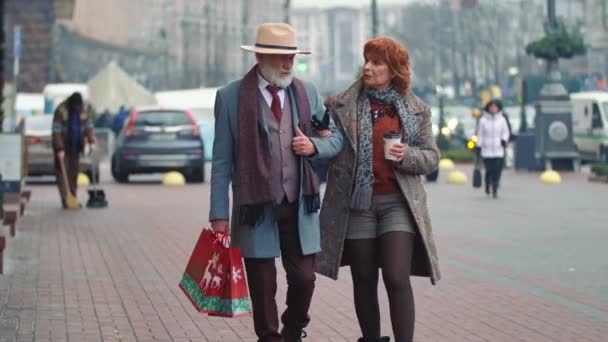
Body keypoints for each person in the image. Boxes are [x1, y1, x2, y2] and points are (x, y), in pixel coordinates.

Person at [209, 23, 343, 342]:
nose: (288, 64)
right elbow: (222, 161)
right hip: (255, 206)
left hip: (299, 203)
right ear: (260, 56)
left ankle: (294, 329)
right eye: (281, 57)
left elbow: (334, 138)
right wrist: (218, 214)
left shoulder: (306, 91)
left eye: (292, 57)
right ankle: (269, 337)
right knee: (263, 284)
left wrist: (314, 147)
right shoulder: (230, 97)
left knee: (304, 278)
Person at [316, 37, 441, 342]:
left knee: (397, 276)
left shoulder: (415, 109)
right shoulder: (341, 105)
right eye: (366, 60)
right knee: (364, 278)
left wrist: (407, 155)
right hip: (358, 205)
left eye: (377, 62)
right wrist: (321, 136)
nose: (368, 67)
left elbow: (432, 157)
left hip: (398, 204)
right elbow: (329, 145)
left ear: (394, 69)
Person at [51, 92, 96, 208]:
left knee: (73, 173)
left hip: (76, 147)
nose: (77, 108)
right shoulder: (61, 111)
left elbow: (88, 127)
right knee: (63, 173)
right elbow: (56, 130)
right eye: (75, 106)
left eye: (79, 106)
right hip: (63, 147)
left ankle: (73, 197)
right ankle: (66, 199)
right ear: (71, 104)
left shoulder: (83, 110)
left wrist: (91, 141)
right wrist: (59, 148)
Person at [477, 99, 510, 198]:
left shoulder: (502, 119)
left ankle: (495, 187)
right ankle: (487, 185)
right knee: (488, 170)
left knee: (496, 170)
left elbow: (506, 132)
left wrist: (504, 140)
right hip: (487, 150)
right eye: (491, 107)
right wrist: (479, 145)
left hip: (498, 149)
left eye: (495, 107)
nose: (493, 109)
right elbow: (480, 134)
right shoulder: (483, 120)